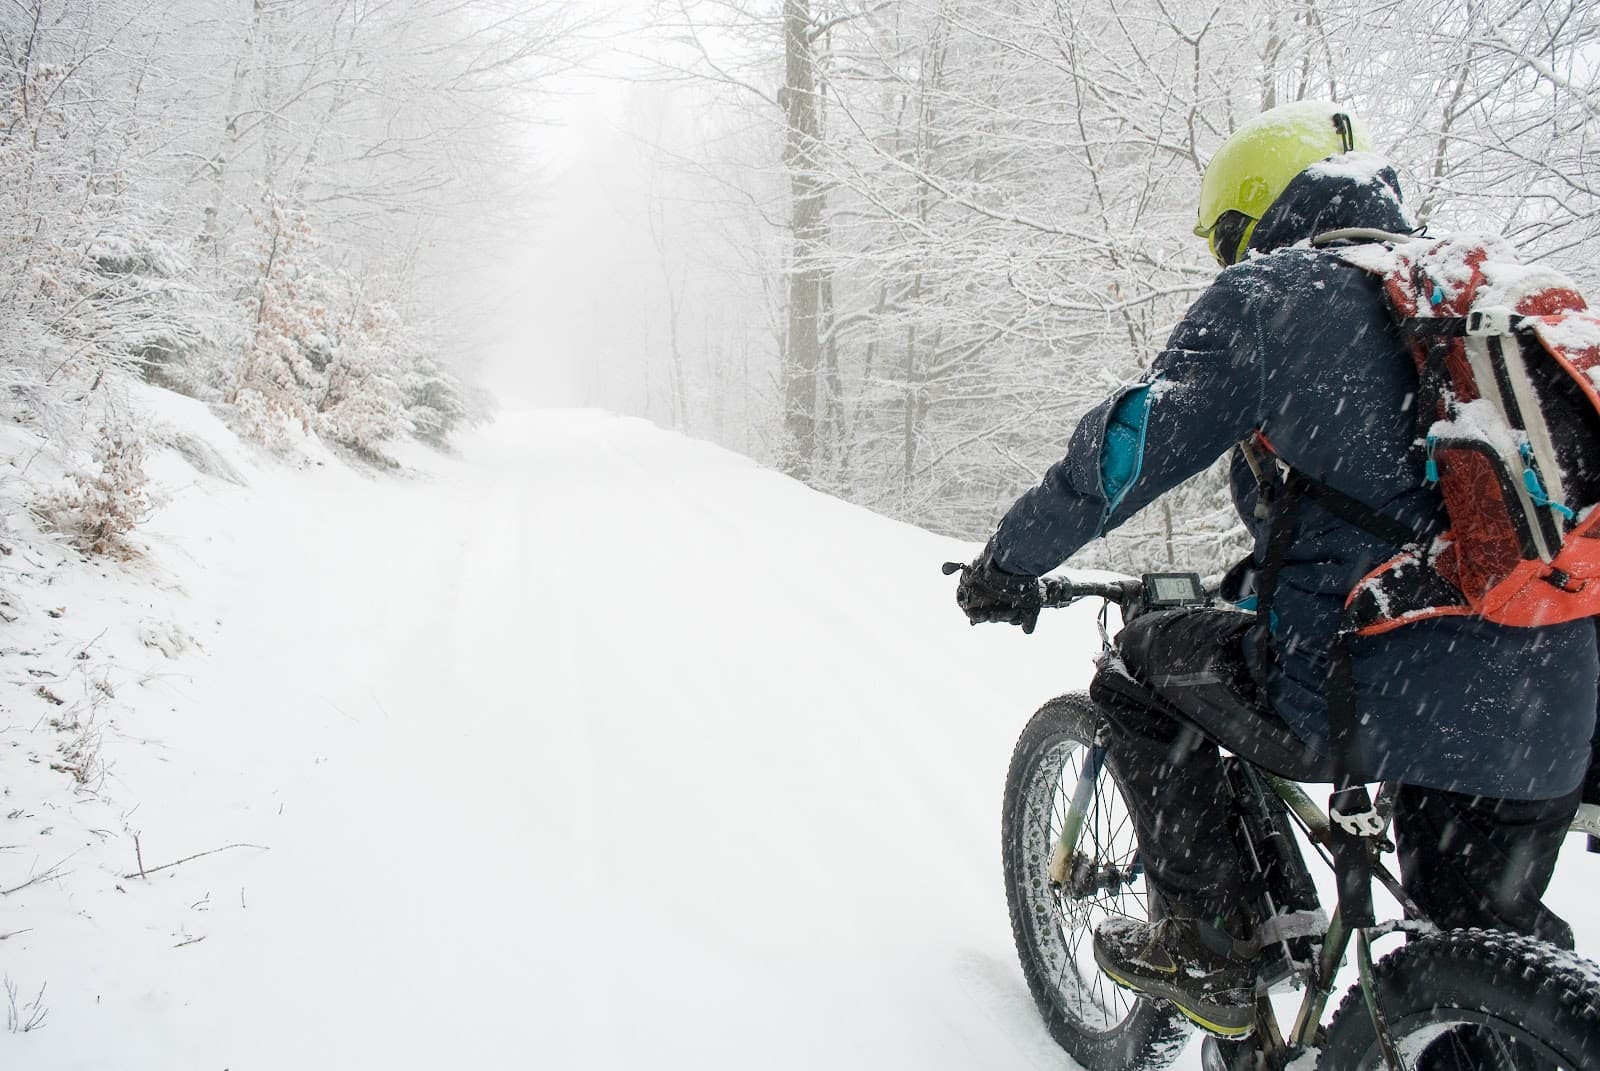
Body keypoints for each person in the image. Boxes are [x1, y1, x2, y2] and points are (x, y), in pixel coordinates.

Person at [954, 101, 1596, 1039]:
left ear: (1255, 213)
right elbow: (1409, 522)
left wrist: (1008, 561)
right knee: (1471, 965)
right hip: (1555, 696)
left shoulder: (1277, 294)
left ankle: (1211, 941)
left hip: (1369, 690)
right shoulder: (1463, 304)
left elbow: (1128, 449)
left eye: (1227, 235)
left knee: (1137, 663)